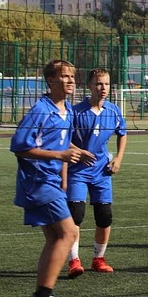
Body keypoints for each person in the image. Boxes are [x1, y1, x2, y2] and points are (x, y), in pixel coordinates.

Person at [10, 59, 96, 297]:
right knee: (69, 233)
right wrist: (61, 154)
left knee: (55, 237)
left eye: (72, 76)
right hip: (37, 181)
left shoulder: (67, 110)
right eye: (65, 76)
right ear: (50, 80)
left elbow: (57, 139)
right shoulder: (41, 110)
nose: (71, 81)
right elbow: (19, 146)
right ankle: (44, 293)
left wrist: (73, 153)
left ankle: (42, 292)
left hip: (52, 181)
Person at [65, 67, 128, 278]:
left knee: (104, 216)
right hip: (78, 171)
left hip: (102, 172)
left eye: (107, 84)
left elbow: (123, 133)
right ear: (90, 86)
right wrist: (79, 152)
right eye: (99, 83)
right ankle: (74, 261)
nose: (103, 88)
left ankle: (98, 259)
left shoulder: (114, 111)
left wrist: (118, 158)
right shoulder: (75, 112)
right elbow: (62, 139)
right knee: (76, 214)